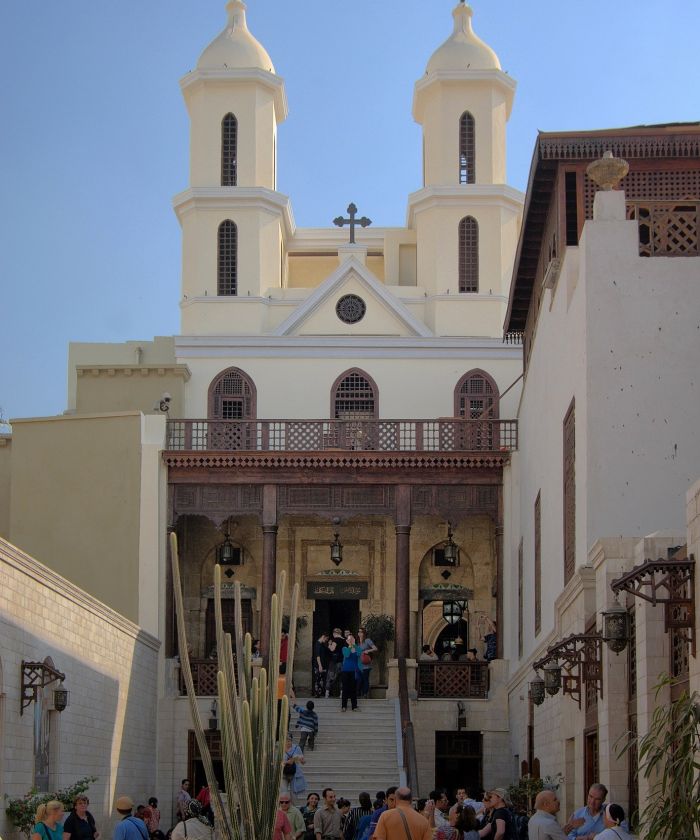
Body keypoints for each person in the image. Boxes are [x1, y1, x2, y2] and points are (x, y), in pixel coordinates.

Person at [282, 733, 307, 801]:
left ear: (291, 740)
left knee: (294, 793)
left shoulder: (297, 748)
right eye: (286, 740)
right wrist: (287, 762)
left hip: (294, 773)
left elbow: (303, 762)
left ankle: (293, 808)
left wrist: (301, 760)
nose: (288, 742)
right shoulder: (280, 749)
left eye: (289, 740)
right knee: (283, 792)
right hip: (283, 773)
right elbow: (276, 762)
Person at [356, 627, 378, 698]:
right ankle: (358, 693)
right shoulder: (357, 643)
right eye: (359, 632)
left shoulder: (367, 640)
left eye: (361, 632)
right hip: (358, 664)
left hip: (366, 664)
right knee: (358, 679)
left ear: (364, 633)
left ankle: (365, 694)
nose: (359, 633)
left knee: (365, 679)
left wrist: (367, 651)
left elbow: (375, 648)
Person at [341, 633, 360, 711]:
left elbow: (359, 653)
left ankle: (354, 706)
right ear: (347, 640)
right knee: (345, 688)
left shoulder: (357, 648)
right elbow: (347, 655)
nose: (351, 640)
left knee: (353, 689)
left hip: (354, 671)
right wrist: (350, 646)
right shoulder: (344, 648)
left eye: (352, 639)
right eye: (349, 639)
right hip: (345, 671)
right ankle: (343, 706)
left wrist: (354, 645)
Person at [313, 632, 330, 697]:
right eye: (326, 639)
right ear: (323, 636)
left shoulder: (322, 645)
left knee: (321, 680)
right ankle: (317, 693)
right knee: (318, 680)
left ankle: (320, 693)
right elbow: (318, 656)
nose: (326, 640)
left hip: (322, 665)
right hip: (318, 666)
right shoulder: (318, 644)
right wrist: (320, 665)